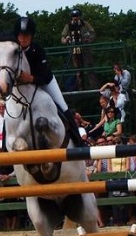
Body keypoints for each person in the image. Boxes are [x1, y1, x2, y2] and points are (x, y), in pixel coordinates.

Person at [14, 16, 84, 147]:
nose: (23, 39)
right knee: (9, 113)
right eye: (20, 35)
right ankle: (4, 151)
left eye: (26, 35)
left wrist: (31, 78)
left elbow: (44, 76)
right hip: (22, 88)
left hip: (43, 82)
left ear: (32, 36)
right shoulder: (13, 50)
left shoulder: (38, 50)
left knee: (63, 106)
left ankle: (79, 142)